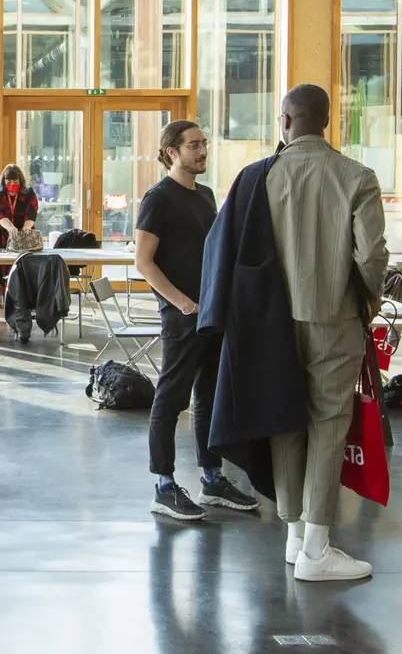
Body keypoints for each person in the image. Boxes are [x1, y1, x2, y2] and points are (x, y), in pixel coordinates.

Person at [265, 84, 387, 582]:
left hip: (275, 321)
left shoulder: (263, 176)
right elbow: (372, 254)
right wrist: (370, 300)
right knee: (329, 422)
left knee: (286, 420)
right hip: (335, 318)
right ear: (328, 121)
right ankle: (317, 546)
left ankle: (294, 536)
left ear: (285, 122)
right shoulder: (357, 177)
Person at [136, 120, 259, 521]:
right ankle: (164, 486)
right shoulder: (158, 198)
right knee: (170, 400)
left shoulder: (205, 195)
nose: (202, 151)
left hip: (211, 314)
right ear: (172, 151)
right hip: (182, 317)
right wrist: (183, 304)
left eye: (204, 143)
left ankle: (211, 478)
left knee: (207, 396)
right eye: (194, 145)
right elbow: (144, 262)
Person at [0, 164, 39, 317]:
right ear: (4, 181)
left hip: (22, 238)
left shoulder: (29, 193)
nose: (12, 186)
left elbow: (31, 213)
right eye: (9, 182)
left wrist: (26, 228)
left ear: (20, 182)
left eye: (15, 182)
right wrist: (10, 227)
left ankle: (21, 308)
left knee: (21, 270)